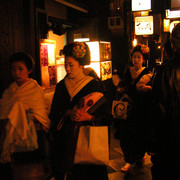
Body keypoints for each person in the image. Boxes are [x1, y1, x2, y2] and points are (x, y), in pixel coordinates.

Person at [49, 42, 109, 180]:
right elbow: (53, 113)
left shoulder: (93, 85)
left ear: (81, 65)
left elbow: (106, 116)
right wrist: (68, 113)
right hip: (65, 143)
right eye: (66, 65)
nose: (68, 69)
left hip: (87, 142)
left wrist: (88, 117)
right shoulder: (61, 86)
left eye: (71, 65)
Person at [0, 52, 51, 179]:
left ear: (29, 70)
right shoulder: (8, 92)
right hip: (14, 140)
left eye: (20, 69)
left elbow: (41, 114)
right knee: (17, 173)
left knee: (34, 173)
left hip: (33, 138)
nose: (16, 73)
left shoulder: (35, 89)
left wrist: (27, 116)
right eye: (13, 69)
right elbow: (3, 113)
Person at [113, 44, 153, 173]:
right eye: (134, 57)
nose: (136, 60)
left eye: (138, 57)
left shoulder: (147, 73)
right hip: (127, 109)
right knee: (126, 135)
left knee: (139, 134)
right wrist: (121, 89)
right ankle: (129, 160)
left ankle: (138, 156)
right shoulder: (127, 71)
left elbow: (151, 91)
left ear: (143, 59)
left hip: (141, 109)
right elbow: (124, 85)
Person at [150, 23, 180, 180]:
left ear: (173, 44)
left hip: (170, 144)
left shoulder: (164, 71)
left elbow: (157, 111)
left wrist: (153, 143)